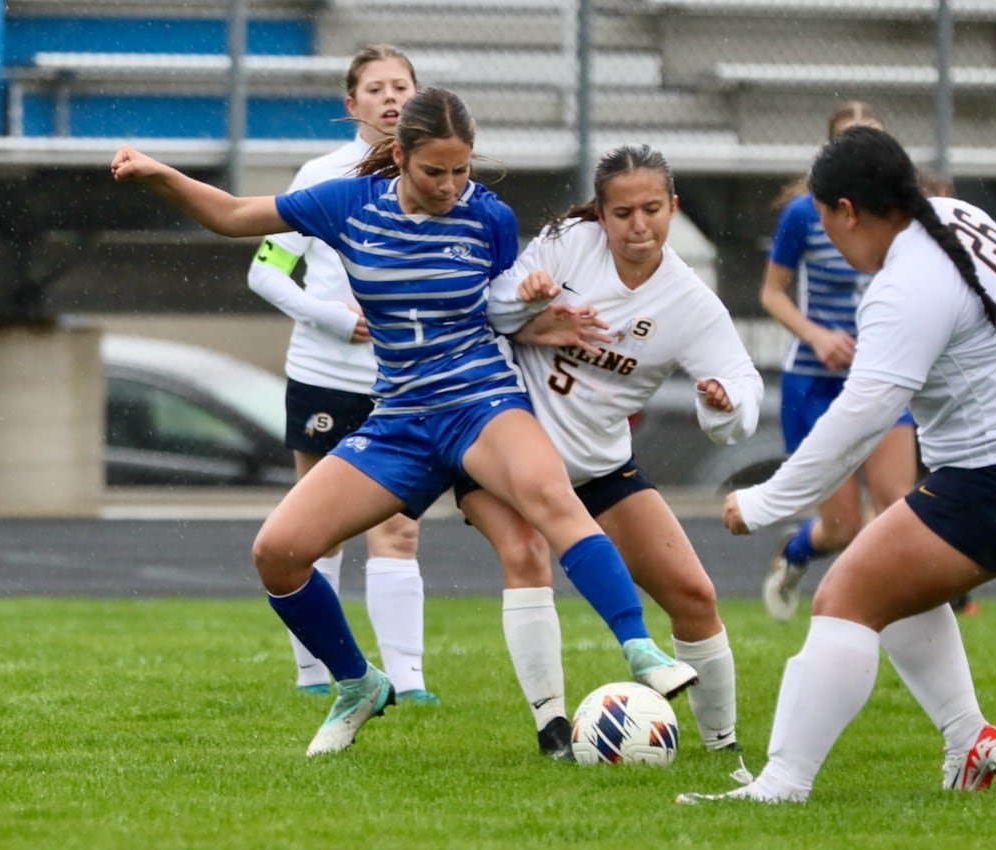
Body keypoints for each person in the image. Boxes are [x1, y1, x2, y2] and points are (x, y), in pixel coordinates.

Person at [110, 86, 697, 758]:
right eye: (435, 171)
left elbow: (504, 309)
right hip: (400, 419)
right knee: (277, 552)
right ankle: (358, 682)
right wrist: (161, 175)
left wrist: (542, 317)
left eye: (462, 170)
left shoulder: (489, 217)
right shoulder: (346, 205)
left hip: (482, 401)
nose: (451, 187)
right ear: (399, 156)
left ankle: (641, 650)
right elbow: (236, 214)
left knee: (551, 506)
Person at [678, 126, 996, 804]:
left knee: (843, 597)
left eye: (825, 222)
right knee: (891, 573)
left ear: (848, 211)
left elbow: (857, 422)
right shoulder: (961, 218)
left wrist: (764, 501)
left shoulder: (905, 283)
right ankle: (968, 737)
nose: (830, 241)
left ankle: (781, 786)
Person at [465, 144, 763, 757]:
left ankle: (722, 750)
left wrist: (725, 400)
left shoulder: (689, 300)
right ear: (600, 214)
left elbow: (743, 383)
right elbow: (489, 305)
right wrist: (530, 299)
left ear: (673, 208)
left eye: (652, 209)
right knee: (525, 553)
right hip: (503, 449)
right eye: (622, 211)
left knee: (694, 594)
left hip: (597, 464)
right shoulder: (568, 242)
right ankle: (552, 731)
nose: (638, 225)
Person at [247, 43, 438, 702]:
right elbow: (264, 270)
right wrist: (332, 316)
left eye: (402, 87)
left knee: (399, 527)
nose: (391, 98)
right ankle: (315, 672)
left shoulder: (440, 176)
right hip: (325, 374)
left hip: (404, 384)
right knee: (314, 526)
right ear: (351, 104)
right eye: (376, 88)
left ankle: (409, 682)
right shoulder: (319, 174)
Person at [756, 101, 918, 622]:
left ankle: (871, 611)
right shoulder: (805, 214)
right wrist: (819, 336)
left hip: (881, 378)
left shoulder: (903, 218)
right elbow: (772, 294)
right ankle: (798, 550)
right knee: (843, 526)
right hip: (816, 382)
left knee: (899, 507)